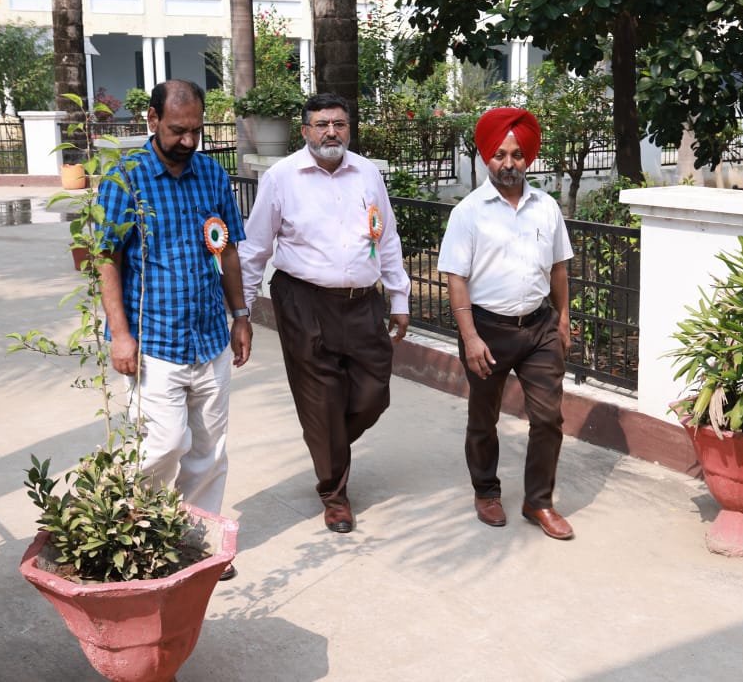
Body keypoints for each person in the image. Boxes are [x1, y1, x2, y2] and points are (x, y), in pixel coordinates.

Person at [98, 79, 251, 578]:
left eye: (195, 131)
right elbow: (106, 259)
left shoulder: (211, 174)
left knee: (209, 449)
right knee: (161, 446)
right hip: (154, 342)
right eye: (177, 130)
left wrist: (240, 315)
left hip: (209, 338)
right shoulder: (125, 179)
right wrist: (121, 334)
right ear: (152, 120)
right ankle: (136, 535)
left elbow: (228, 249)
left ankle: (196, 541)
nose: (188, 141)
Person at [239, 92, 410, 534]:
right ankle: (335, 494)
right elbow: (255, 248)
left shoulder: (367, 173)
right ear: (305, 131)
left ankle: (327, 440)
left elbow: (387, 237)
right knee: (320, 399)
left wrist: (399, 296)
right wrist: (243, 311)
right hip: (304, 302)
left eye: (339, 124)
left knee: (374, 392)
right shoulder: (281, 178)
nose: (331, 132)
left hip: (363, 302)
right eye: (322, 124)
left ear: (349, 129)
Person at [437, 107, 576, 540]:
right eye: (500, 155)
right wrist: (470, 338)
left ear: (527, 157)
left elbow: (559, 269)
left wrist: (563, 320)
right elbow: (456, 279)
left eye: (517, 155)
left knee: (548, 418)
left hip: (539, 328)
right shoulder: (469, 212)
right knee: (484, 417)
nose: (509, 163)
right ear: (486, 157)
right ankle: (486, 492)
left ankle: (539, 501)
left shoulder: (546, 208)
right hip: (487, 330)